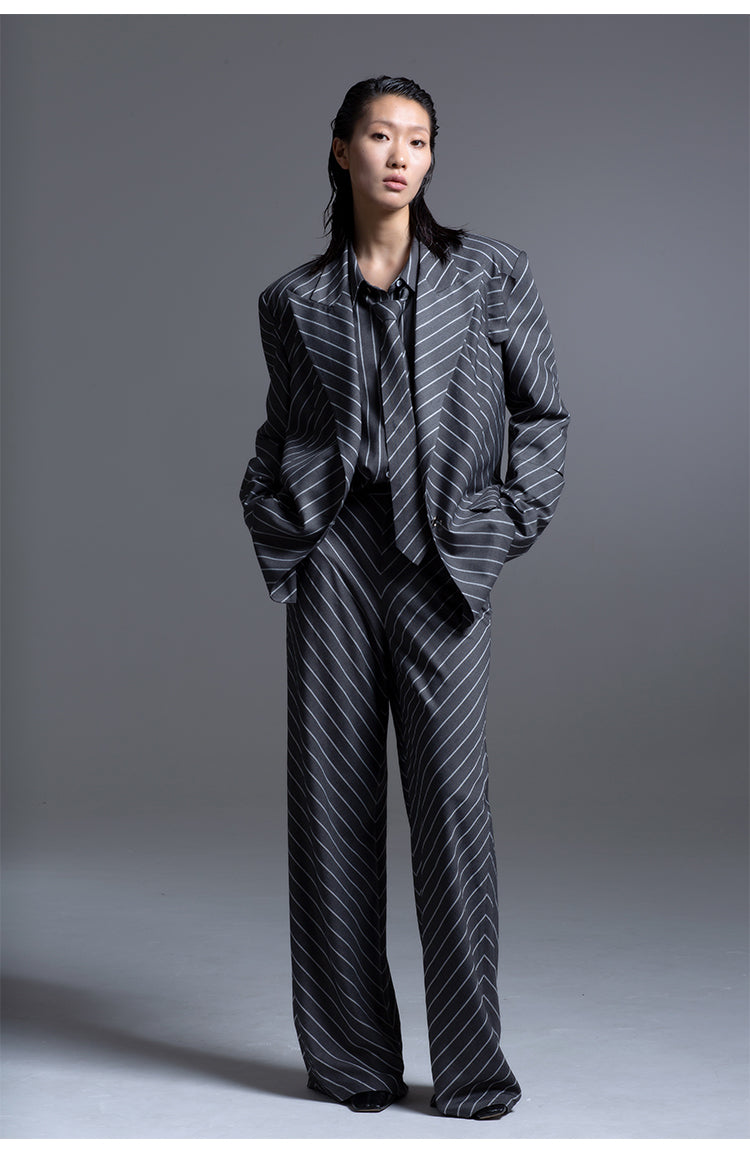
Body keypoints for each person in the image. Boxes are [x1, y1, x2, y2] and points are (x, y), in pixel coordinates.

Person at [239, 75, 570, 1121]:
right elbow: (284, 427)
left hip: (442, 558)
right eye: (380, 136)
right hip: (336, 557)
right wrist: (275, 515)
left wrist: (503, 519)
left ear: (431, 157)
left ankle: (469, 1068)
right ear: (340, 150)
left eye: (418, 140)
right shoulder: (293, 300)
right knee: (330, 808)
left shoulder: (491, 272)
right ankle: (352, 1062)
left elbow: (543, 414)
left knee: (452, 812)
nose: (399, 156)